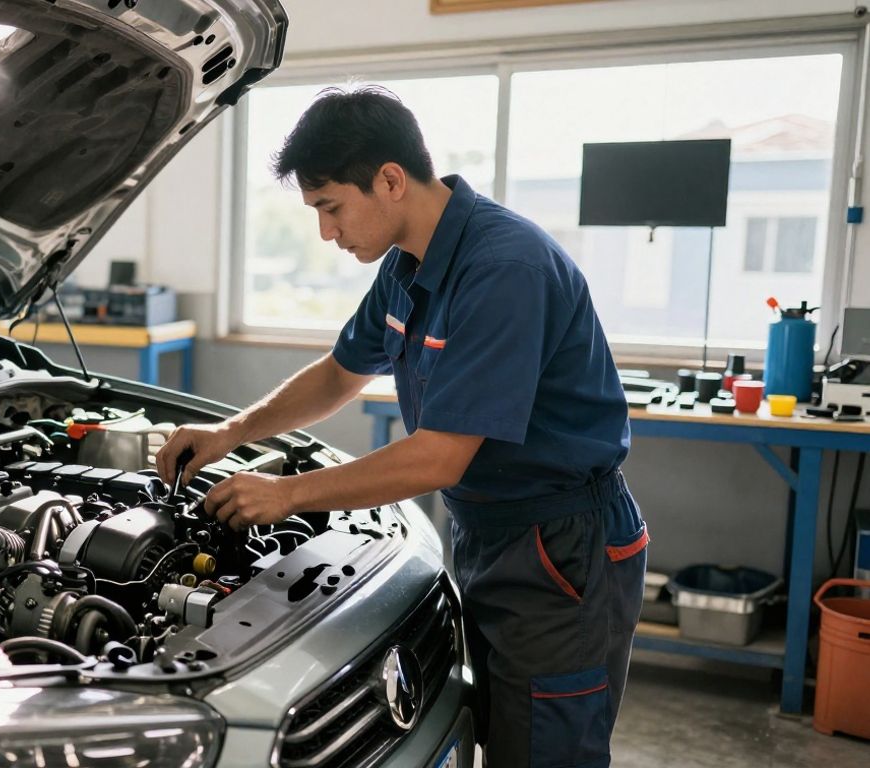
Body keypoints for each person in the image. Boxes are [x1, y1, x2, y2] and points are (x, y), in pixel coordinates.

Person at [155, 86, 648, 768]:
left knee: (543, 750)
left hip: (560, 547)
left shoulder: (502, 268)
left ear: (389, 180)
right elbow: (340, 372)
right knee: (497, 732)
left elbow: (437, 459)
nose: (326, 232)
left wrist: (289, 494)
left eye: (331, 208)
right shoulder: (408, 264)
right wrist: (230, 432)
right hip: (489, 531)